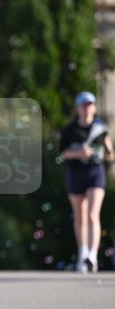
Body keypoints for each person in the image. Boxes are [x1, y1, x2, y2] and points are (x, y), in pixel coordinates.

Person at [60, 90, 114, 273]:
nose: (87, 108)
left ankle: (92, 255)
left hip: (95, 172)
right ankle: (82, 253)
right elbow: (64, 152)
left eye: (90, 104)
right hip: (75, 173)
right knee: (80, 216)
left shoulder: (100, 128)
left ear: (94, 107)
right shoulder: (70, 129)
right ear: (78, 108)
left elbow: (110, 153)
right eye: (83, 105)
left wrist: (103, 154)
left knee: (92, 214)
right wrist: (79, 153)